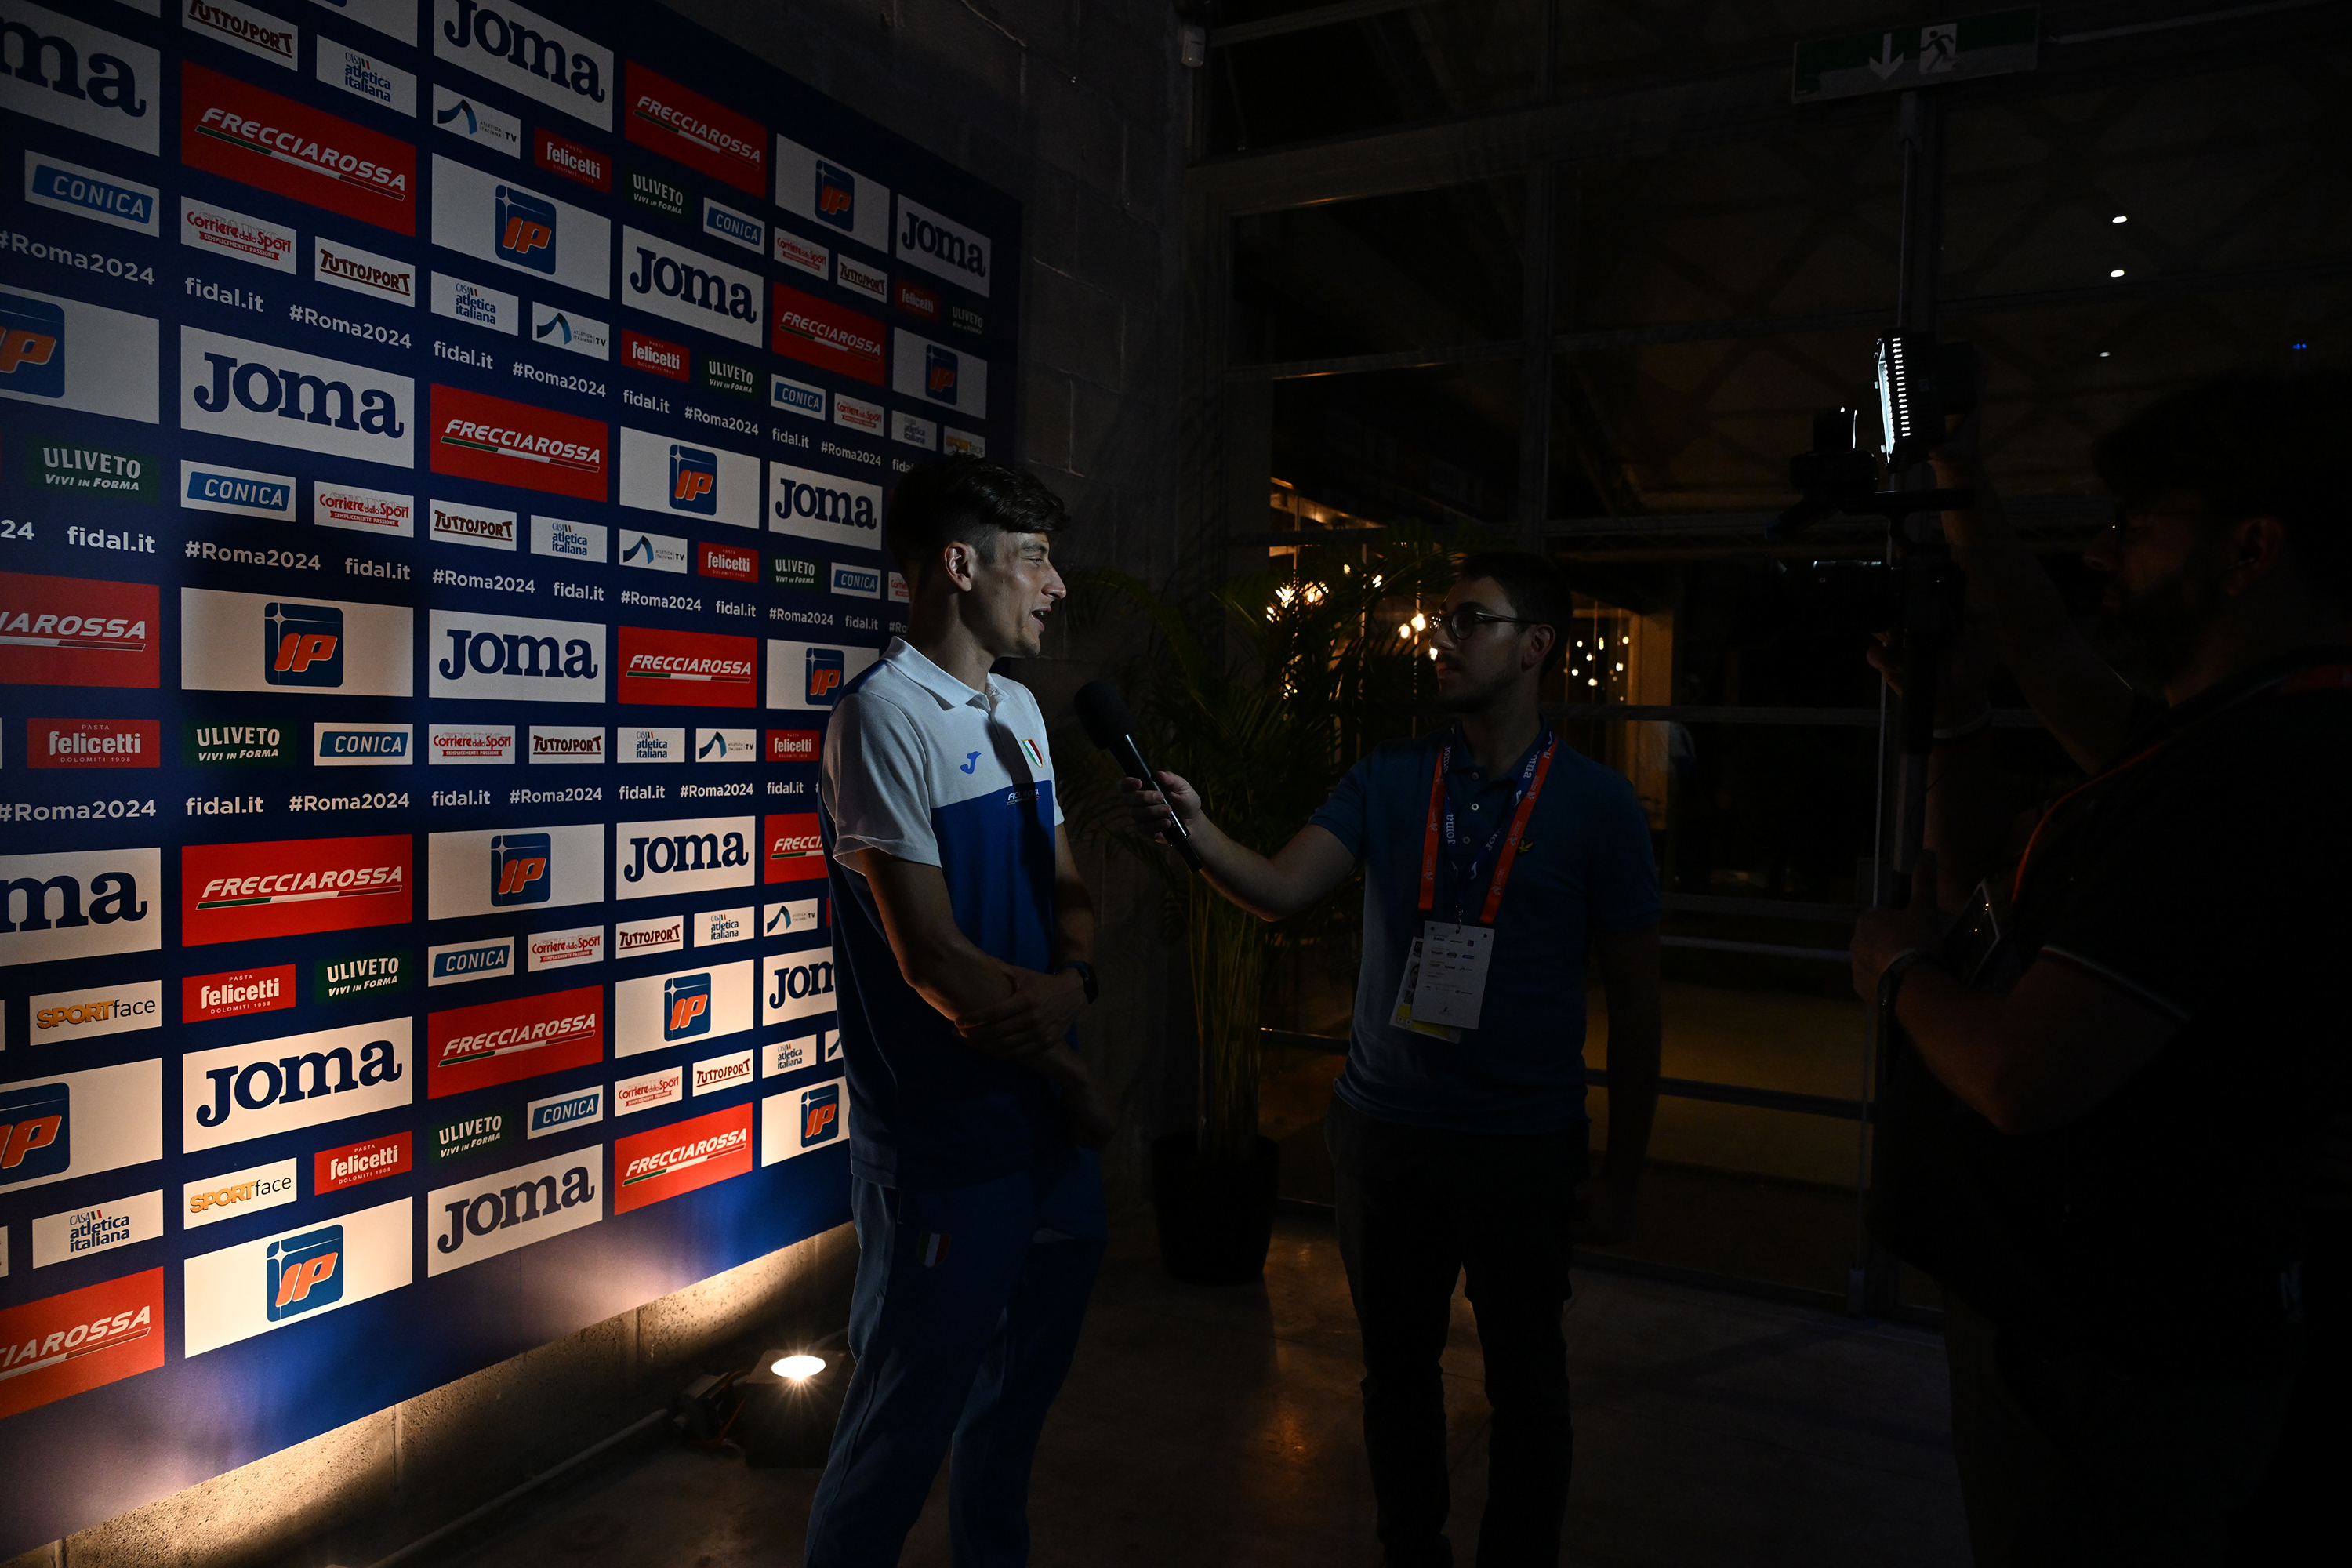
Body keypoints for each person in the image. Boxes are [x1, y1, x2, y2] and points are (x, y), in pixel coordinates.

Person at [1849, 368, 2352, 1565]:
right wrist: (1959, 481)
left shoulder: (2251, 778)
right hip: (2116, 1333)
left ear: (2250, 549)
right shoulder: (2234, 738)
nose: (2100, 554)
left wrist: (1899, 973)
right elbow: (2036, 641)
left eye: (2133, 526)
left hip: (2116, 1361)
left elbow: (2024, 1074)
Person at [1123, 552, 1664, 1568]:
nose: (1441, 639)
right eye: (1440, 620)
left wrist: (1625, 1171)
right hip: (1387, 1137)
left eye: (1470, 620)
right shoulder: (1390, 778)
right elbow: (1280, 889)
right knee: (1398, 1377)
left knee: (1527, 1389)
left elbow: (1638, 1003)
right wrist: (1198, 835)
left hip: (1521, 1146)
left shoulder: (1598, 805)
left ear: (1536, 646)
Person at [806, 456, 1117, 1568]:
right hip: (946, 1146)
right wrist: (1076, 1072)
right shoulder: (879, 717)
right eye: (1034, 558)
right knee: (896, 1442)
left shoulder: (1020, 707)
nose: (1056, 585)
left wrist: (1077, 982)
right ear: (958, 565)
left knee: (1011, 1422)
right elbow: (934, 956)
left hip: (1047, 1145)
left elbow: (1068, 885)